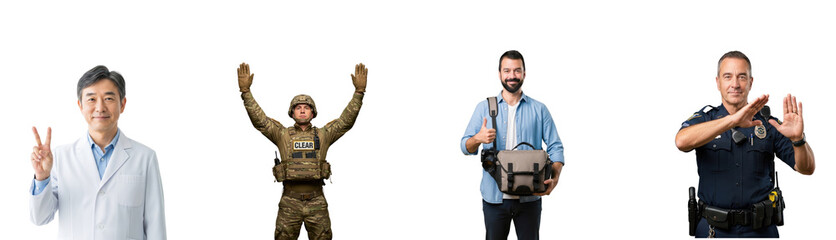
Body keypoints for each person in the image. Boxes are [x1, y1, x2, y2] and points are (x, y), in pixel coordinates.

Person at [675, 51, 815, 238]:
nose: (735, 84)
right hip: (713, 231)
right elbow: (681, 141)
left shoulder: (768, 124)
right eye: (728, 77)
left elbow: (806, 168)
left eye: (742, 77)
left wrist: (798, 140)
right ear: (718, 82)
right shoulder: (706, 120)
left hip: (760, 231)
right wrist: (732, 121)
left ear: (751, 82)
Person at [29, 65, 167, 239]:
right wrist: (42, 177)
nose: (100, 107)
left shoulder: (145, 158)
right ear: (80, 105)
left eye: (109, 98)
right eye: (91, 99)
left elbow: (156, 226)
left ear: (122, 104)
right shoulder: (60, 157)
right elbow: (40, 218)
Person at [237, 62, 366, 240]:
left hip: (317, 202)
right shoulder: (282, 134)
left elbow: (345, 121)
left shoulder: (323, 135)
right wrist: (246, 93)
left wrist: (359, 94)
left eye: (307, 107)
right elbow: (261, 121)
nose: (303, 110)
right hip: (290, 202)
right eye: (298, 107)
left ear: (313, 113)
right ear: (292, 113)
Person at [460, 50, 565, 240]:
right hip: (494, 199)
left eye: (517, 71)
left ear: (524, 73)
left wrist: (555, 178)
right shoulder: (484, 108)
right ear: (499, 74)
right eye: (507, 70)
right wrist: (477, 138)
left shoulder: (539, 109)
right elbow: (465, 147)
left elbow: (556, 147)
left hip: (530, 197)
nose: (512, 76)